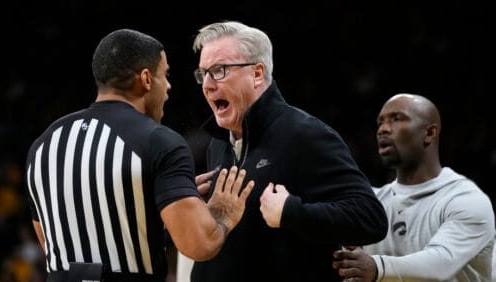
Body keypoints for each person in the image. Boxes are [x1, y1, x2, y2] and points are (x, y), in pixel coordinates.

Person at [24, 28, 254, 282]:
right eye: (164, 75)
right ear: (146, 79)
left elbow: (52, 242)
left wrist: (157, 207)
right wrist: (221, 214)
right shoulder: (159, 141)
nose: (168, 87)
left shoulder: (44, 143)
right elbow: (198, 245)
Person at [189, 20, 388, 282]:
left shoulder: (304, 135)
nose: (208, 85)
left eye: (220, 70)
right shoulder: (218, 142)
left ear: (258, 73)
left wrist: (291, 213)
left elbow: (370, 218)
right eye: (203, 74)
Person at [332, 93, 495, 281]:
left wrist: (377, 267)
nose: (382, 129)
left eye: (396, 119)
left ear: (429, 133)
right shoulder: (372, 204)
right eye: (380, 123)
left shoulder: (466, 199)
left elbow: (440, 265)